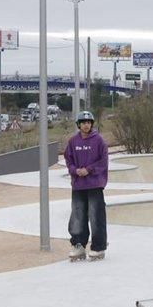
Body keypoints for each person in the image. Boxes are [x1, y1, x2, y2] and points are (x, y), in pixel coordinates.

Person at [63, 110, 109, 261]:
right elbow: (68, 160)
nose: (86, 125)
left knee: (96, 216)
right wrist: (75, 170)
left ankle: (98, 247)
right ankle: (78, 245)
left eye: (88, 122)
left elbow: (103, 161)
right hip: (78, 185)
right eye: (83, 123)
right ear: (78, 125)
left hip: (94, 184)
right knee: (78, 216)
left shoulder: (99, 140)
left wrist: (88, 170)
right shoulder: (73, 142)